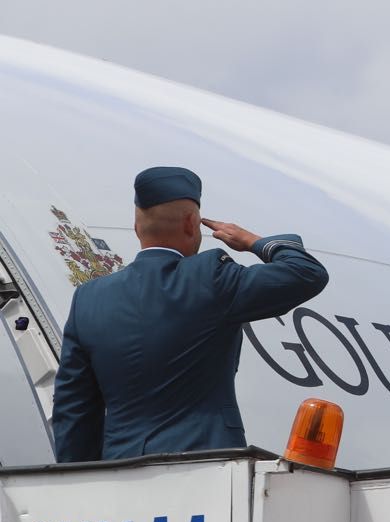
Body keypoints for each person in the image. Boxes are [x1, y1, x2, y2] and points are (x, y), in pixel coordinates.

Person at [52, 166, 329, 462]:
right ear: (191, 223)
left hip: (120, 469)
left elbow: (73, 409)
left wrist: (83, 478)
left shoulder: (89, 298)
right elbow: (306, 273)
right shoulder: (210, 278)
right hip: (204, 466)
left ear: (136, 227)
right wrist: (251, 240)